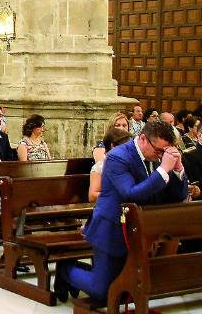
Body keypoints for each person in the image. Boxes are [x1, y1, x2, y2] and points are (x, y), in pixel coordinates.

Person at [55, 122, 188, 302]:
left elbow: (178, 195)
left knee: (123, 287)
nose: (161, 156)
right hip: (111, 228)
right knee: (102, 292)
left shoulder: (156, 156)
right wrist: (163, 169)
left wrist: (178, 169)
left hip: (139, 230)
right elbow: (130, 193)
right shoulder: (118, 157)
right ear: (143, 139)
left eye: (165, 152)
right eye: (159, 151)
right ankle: (65, 270)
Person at [88, 128, 132, 202]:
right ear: (113, 147)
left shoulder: (130, 164)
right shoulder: (100, 167)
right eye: (126, 147)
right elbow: (92, 196)